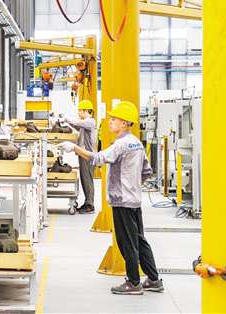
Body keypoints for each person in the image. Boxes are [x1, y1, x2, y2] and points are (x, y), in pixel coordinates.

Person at [59, 101, 163, 295]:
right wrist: (132, 185)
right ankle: (154, 279)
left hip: (122, 200)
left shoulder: (121, 145)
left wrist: (74, 148)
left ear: (124, 123)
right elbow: (147, 171)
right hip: (134, 199)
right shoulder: (136, 143)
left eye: (114, 119)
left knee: (126, 243)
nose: (110, 121)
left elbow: (97, 158)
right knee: (139, 240)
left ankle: (133, 283)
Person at [62, 100, 97, 213]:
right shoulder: (84, 124)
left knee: (87, 180)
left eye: (79, 111)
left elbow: (78, 123)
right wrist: (66, 122)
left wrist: (67, 119)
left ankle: (90, 205)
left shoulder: (90, 122)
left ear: (85, 110)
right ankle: (87, 202)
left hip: (87, 156)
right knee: (84, 179)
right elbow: (77, 126)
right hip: (83, 155)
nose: (78, 113)